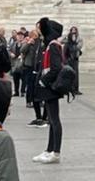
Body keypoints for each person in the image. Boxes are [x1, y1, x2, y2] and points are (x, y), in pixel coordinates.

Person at [31, 17, 64, 165]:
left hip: (50, 87)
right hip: (48, 87)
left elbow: (56, 68)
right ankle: (49, 149)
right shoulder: (51, 45)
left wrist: (43, 81)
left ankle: (55, 152)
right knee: (51, 119)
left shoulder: (53, 46)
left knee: (55, 120)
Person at [21, 30, 47, 127]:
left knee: (42, 93)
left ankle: (44, 117)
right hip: (31, 68)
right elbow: (22, 50)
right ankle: (38, 116)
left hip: (40, 70)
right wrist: (28, 43)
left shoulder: (42, 43)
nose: (34, 37)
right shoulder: (30, 43)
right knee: (32, 89)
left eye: (36, 35)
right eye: (33, 35)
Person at [63, 26, 83, 95]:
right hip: (68, 58)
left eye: (75, 30)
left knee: (75, 74)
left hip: (75, 58)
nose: (73, 32)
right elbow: (63, 44)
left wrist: (74, 43)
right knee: (68, 74)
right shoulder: (67, 40)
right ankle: (68, 89)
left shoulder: (79, 38)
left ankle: (75, 89)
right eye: (72, 30)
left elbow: (79, 46)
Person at [9, 31, 25, 97]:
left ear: (23, 37)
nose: (20, 37)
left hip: (22, 64)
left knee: (23, 79)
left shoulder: (25, 44)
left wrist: (22, 55)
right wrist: (11, 54)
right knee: (15, 78)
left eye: (21, 36)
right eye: (19, 36)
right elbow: (9, 50)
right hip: (15, 63)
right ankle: (16, 91)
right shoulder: (14, 44)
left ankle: (22, 91)